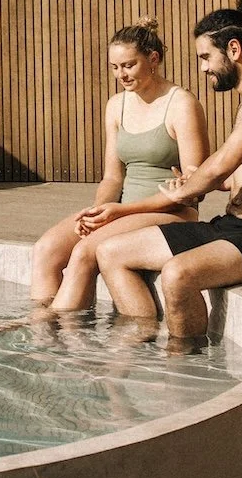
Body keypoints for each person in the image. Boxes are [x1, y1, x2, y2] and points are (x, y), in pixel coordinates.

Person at [89, 0, 242, 344]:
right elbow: (237, 175)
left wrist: (188, 188)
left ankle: (183, 367)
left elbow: (220, 166)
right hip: (233, 227)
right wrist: (201, 179)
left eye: (206, 57)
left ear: (233, 50)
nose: (204, 67)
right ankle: (139, 344)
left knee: (177, 274)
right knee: (110, 252)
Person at [24, 19, 209, 313]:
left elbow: (194, 187)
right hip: (120, 210)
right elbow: (112, 177)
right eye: (114, 67)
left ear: (154, 60)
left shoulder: (181, 104)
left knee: (87, 250)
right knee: (46, 248)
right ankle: (43, 320)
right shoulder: (116, 106)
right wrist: (99, 212)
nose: (121, 74)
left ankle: (52, 325)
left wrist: (117, 214)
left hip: (171, 212)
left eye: (128, 65)